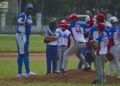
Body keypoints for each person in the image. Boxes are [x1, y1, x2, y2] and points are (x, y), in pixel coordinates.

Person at [16, 3, 36, 77]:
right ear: (26, 9)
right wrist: (22, 22)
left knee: (23, 53)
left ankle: (20, 73)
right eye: (29, 8)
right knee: (23, 54)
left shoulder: (30, 17)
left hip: (26, 36)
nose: (30, 10)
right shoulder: (23, 15)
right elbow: (19, 21)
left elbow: (28, 26)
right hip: (21, 35)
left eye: (31, 9)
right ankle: (26, 72)